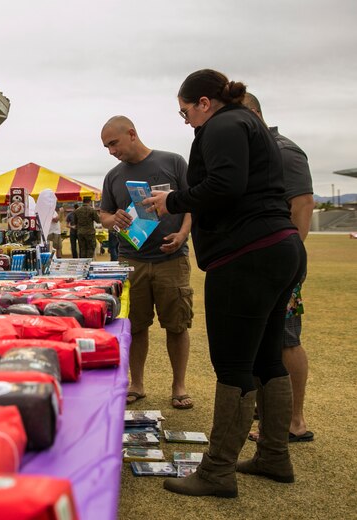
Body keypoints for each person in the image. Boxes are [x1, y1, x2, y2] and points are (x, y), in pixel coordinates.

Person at [146, 69, 305, 498]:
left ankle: (218, 471)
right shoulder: (249, 123)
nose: (186, 123)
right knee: (267, 357)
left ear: (203, 102)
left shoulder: (223, 124)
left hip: (246, 256)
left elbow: (225, 184)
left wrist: (172, 201)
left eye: (185, 112)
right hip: (278, 246)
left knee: (233, 365)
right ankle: (274, 454)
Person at [99, 115, 194, 411]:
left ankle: (179, 386)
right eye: (106, 147)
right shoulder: (113, 176)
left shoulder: (173, 161)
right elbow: (104, 215)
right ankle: (136, 384)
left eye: (113, 143)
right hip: (131, 260)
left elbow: (193, 202)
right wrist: (113, 220)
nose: (111, 151)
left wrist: (182, 233)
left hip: (171, 259)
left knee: (176, 325)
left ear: (132, 133)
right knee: (135, 326)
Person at [243, 92, 316, 443]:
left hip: (279, 265)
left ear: (253, 114)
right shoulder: (255, 152)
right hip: (256, 264)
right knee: (261, 340)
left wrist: (285, 257)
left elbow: (302, 204)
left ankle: (294, 421)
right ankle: (270, 410)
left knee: (286, 339)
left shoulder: (283, 151)